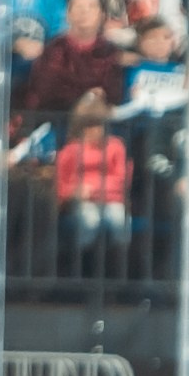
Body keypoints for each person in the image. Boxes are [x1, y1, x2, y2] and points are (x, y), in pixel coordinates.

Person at [55, 90, 129, 267]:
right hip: (82, 201)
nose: (96, 130)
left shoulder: (116, 146)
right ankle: (83, 267)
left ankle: (115, 269)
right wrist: (74, 192)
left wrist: (95, 189)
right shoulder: (70, 151)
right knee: (90, 221)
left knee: (119, 221)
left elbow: (121, 178)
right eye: (90, 125)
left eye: (99, 125)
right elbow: (61, 184)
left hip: (112, 199)